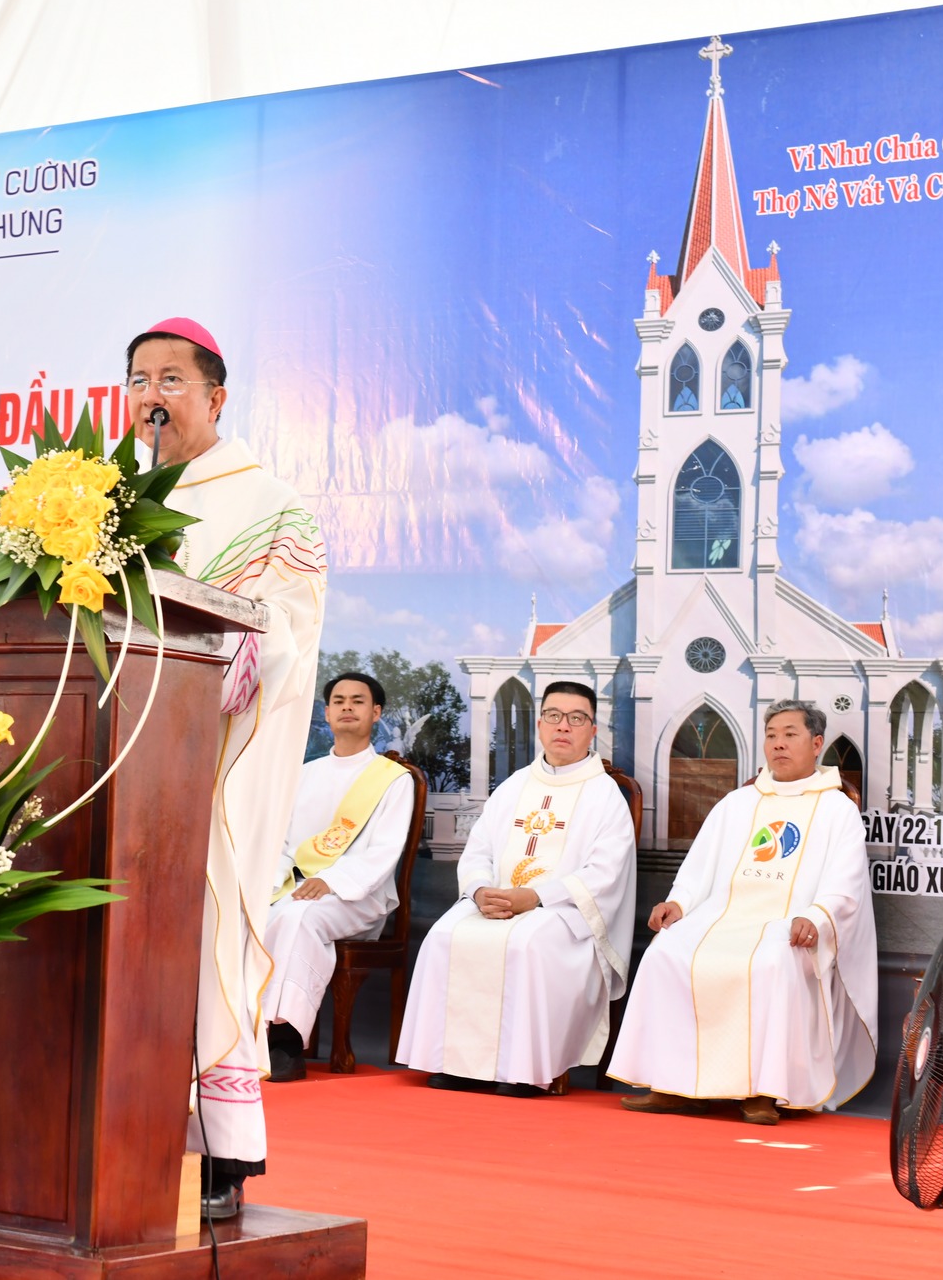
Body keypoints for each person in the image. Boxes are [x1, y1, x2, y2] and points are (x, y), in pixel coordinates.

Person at [128, 317, 326, 1219]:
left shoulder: (271, 505)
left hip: (213, 760)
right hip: (115, 762)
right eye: (139, 379)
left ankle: (215, 1144)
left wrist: (221, 660)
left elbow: (289, 628)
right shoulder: (102, 503)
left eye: (171, 379)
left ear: (216, 396)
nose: (152, 395)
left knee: (204, 934)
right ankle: (114, 1124)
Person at [610, 700, 877, 1125]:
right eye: (771, 735)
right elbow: (698, 868)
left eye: (790, 735)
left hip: (787, 924)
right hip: (722, 916)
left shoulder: (837, 809)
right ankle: (674, 1085)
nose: (778, 744)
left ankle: (762, 1092)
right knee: (665, 952)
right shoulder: (737, 803)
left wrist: (817, 916)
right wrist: (678, 903)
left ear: (817, 744)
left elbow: (846, 882)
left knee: (771, 961)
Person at [396, 681, 635, 1095]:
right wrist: (479, 891)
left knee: (527, 943)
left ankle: (524, 1071)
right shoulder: (514, 786)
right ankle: (454, 1064)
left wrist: (536, 897)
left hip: (564, 912)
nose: (564, 726)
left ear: (593, 730)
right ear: (540, 725)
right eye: (554, 716)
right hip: (497, 900)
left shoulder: (605, 796)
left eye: (577, 718)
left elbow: (605, 872)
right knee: (444, 935)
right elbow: (477, 852)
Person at [261, 672, 415, 1082]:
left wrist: (331, 881)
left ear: (376, 713)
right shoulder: (304, 775)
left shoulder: (392, 779)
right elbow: (281, 843)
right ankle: (245, 1036)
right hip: (295, 888)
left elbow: (384, 851)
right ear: (327, 713)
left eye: (358, 701)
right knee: (251, 914)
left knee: (299, 918)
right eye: (339, 701)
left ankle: (285, 1041)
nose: (348, 707)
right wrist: (272, 884)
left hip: (357, 896)